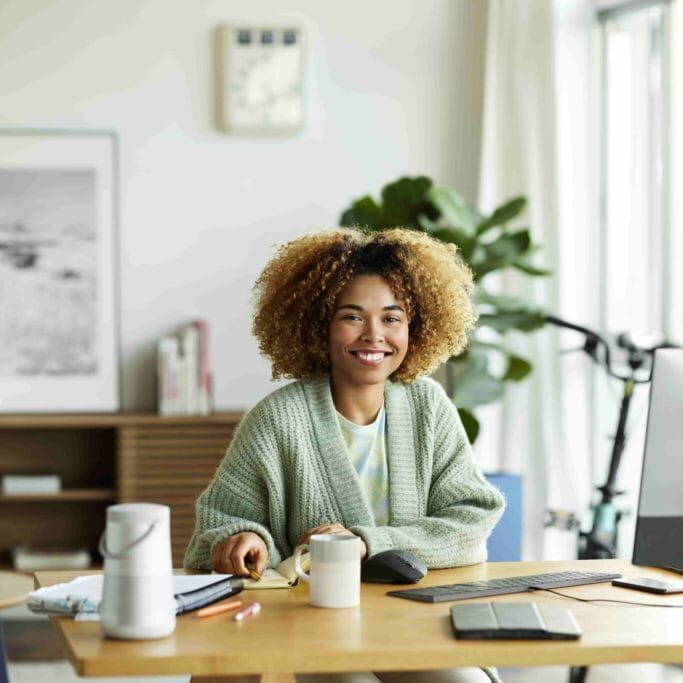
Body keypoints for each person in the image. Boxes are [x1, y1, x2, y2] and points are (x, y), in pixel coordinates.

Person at [185, 228, 506, 683]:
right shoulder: (278, 418)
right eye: (352, 317)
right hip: (315, 627)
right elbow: (219, 526)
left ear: (416, 326)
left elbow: (471, 521)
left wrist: (366, 542)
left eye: (392, 318)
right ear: (319, 325)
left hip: (414, 623)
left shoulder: (428, 407)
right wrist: (245, 540)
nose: (374, 335)